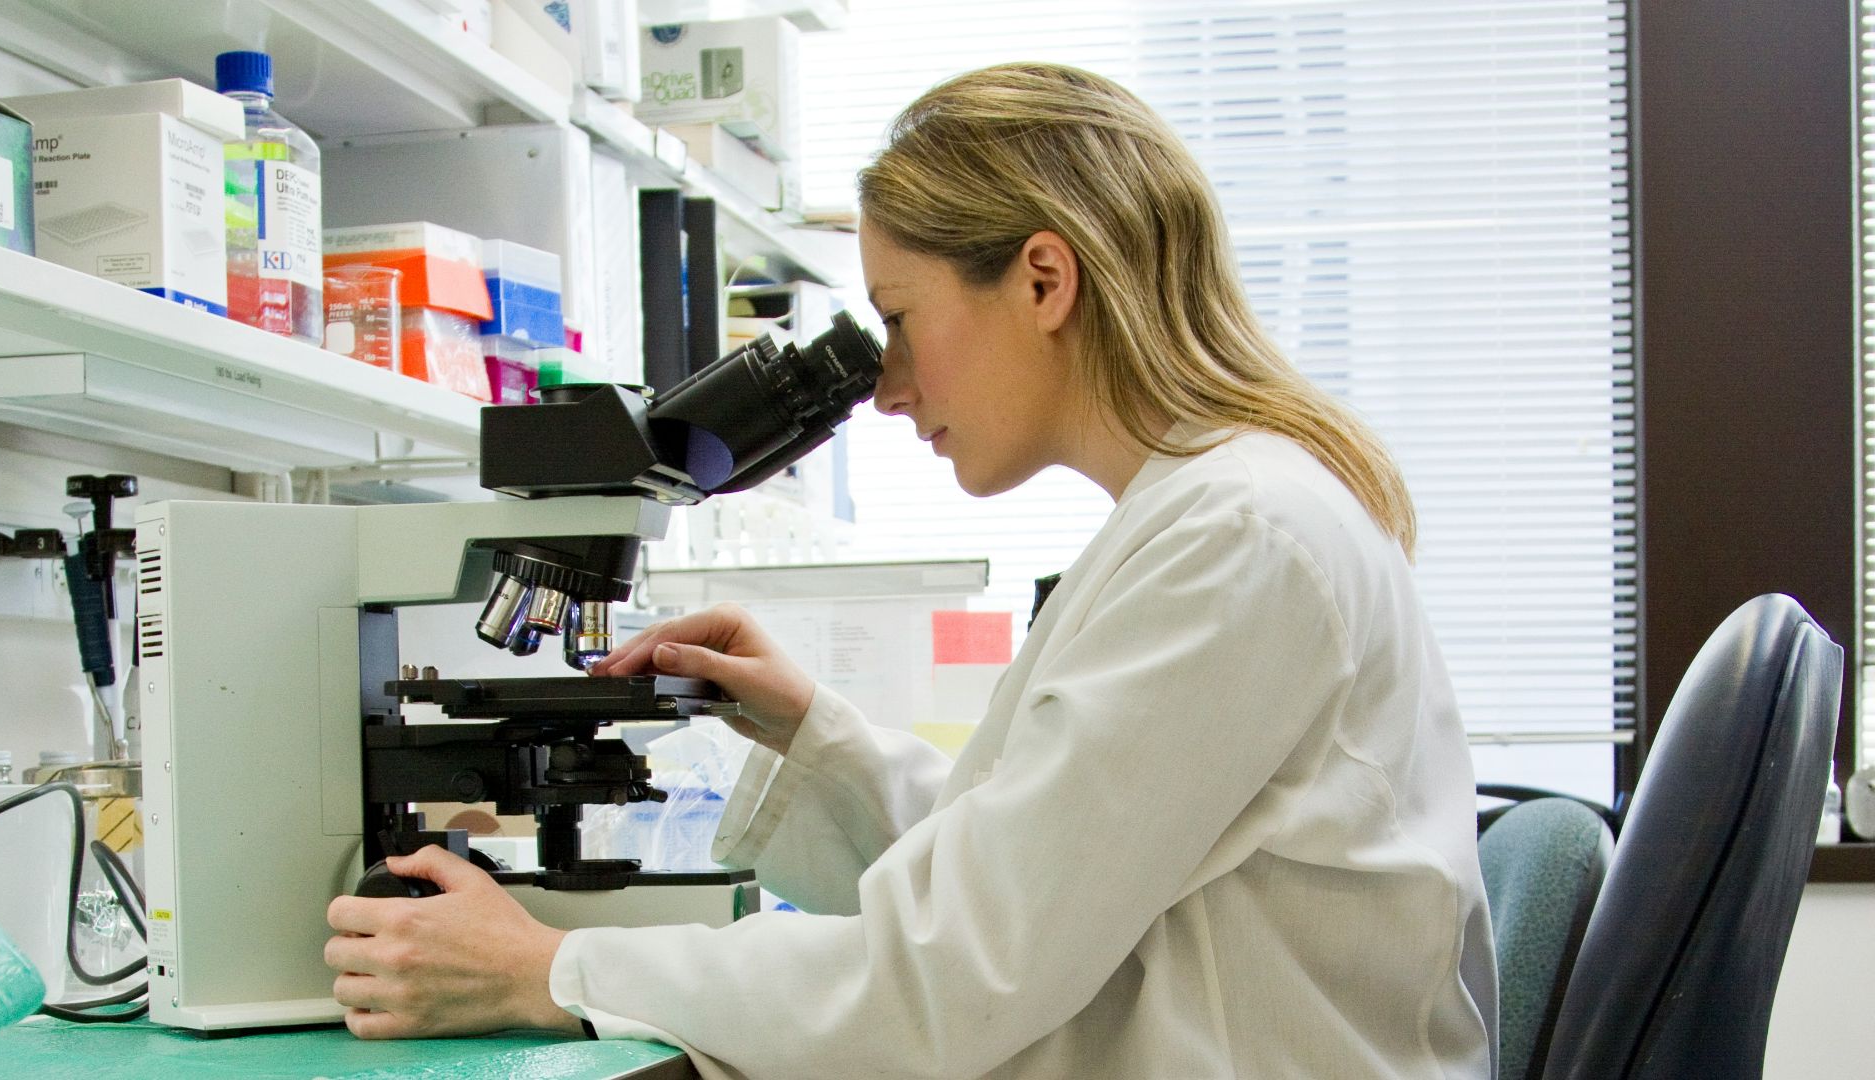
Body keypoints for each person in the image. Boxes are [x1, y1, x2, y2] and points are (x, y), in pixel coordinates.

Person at [324, 62, 1498, 1079]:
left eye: (898, 318)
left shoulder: (1235, 541)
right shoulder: (1223, 515)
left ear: (1044, 280)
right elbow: (1040, 871)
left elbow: (951, 977)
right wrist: (816, 734)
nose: (885, 388)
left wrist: (551, 968)